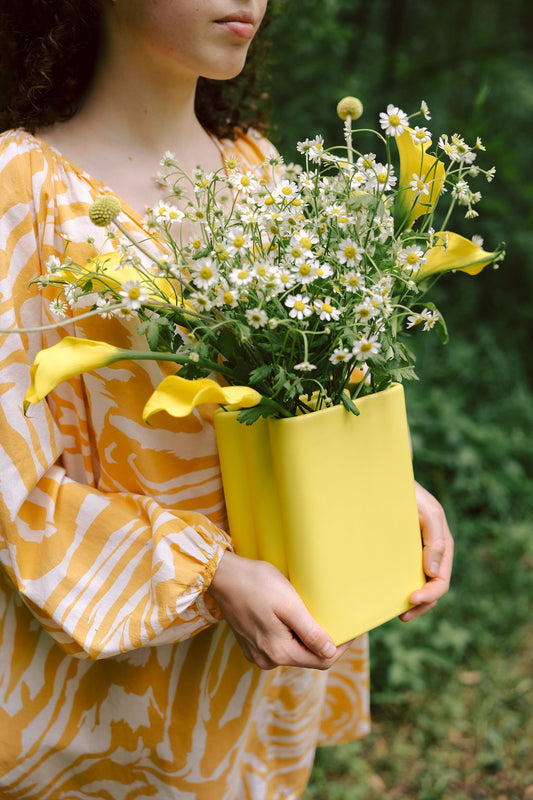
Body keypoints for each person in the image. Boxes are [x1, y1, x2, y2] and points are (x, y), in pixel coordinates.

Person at [0, 1, 454, 797]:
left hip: (248, 682)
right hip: (93, 698)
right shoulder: (20, 191)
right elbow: (13, 488)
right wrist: (207, 572)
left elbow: (312, 403)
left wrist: (386, 494)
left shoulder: (259, 170)